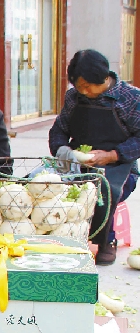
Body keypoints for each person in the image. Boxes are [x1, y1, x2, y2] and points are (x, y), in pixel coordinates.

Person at [49, 49, 140, 265]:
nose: (83, 91)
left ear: (103, 78)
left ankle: (106, 241)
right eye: (79, 87)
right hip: (76, 163)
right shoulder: (74, 97)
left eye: (87, 86)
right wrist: (65, 152)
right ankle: (59, 239)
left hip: (119, 167)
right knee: (44, 183)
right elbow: (59, 130)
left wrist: (112, 155)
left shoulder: (131, 98)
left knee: (103, 190)